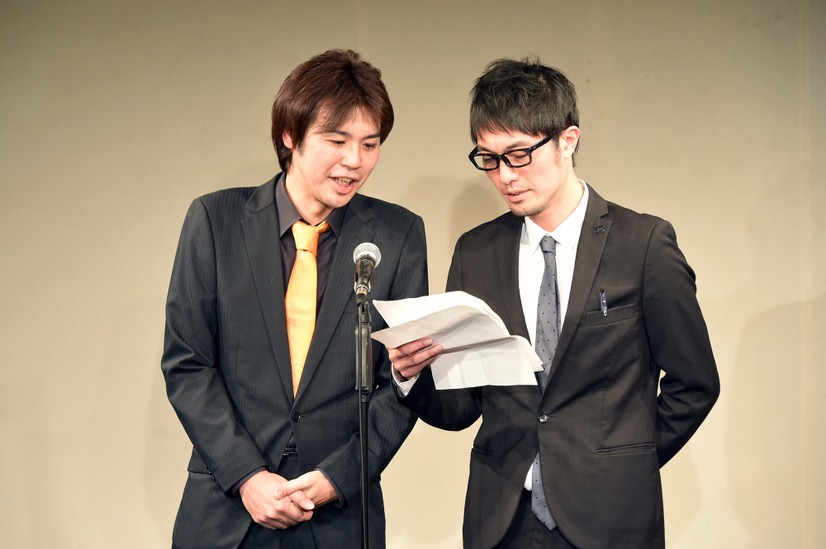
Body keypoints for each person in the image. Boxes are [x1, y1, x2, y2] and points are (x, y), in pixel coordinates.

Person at [389, 57, 720, 548]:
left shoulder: (642, 244)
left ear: (568, 140)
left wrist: (624, 464)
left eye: (519, 154)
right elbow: (461, 407)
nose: (505, 175)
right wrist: (410, 375)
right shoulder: (476, 252)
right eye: (489, 158)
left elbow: (695, 384)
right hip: (502, 520)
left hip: (611, 518)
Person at [161, 49, 426, 548]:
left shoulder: (399, 234)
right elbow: (187, 364)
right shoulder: (215, 221)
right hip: (227, 512)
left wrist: (338, 478)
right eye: (337, 140)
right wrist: (247, 476)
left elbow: (404, 380)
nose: (355, 160)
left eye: (370, 144)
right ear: (290, 135)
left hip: (340, 518)